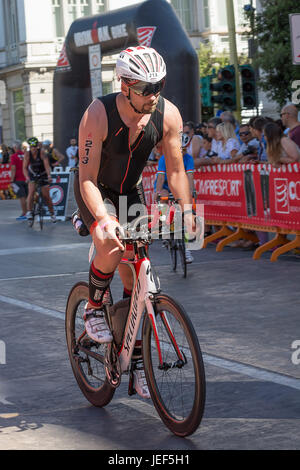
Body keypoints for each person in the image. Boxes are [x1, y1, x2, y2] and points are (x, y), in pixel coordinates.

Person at [74, 46, 196, 399]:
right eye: (145, 88)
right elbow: (86, 179)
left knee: (137, 281)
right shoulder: (97, 114)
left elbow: (175, 170)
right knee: (110, 241)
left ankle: (137, 363)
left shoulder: (167, 114)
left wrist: (187, 211)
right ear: (125, 86)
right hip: (94, 188)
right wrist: (103, 218)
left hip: (131, 192)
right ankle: (94, 306)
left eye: (159, 86)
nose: (153, 95)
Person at [153, 137, 195, 263]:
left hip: (180, 185)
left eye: (184, 149)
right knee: (163, 197)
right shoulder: (164, 159)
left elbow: (190, 177)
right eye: (179, 149)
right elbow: (160, 178)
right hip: (165, 185)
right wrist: (158, 192)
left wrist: (190, 193)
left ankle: (187, 249)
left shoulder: (188, 159)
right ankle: (166, 228)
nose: (182, 152)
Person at [23, 137, 56, 222]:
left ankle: (52, 214)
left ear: (37, 146)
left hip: (43, 174)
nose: (33, 149)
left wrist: (49, 176)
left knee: (46, 196)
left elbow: (47, 166)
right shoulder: (27, 154)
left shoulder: (41, 152)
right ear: (30, 147)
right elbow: (24, 168)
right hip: (33, 174)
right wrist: (27, 177)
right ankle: (29, 212)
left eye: (35, 147)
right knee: (31, 192)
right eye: (31, 147)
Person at [10, 141, 28, 220]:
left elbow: (13, 168)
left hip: (18, 179)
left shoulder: (14, 156)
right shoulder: (25, 155)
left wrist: (11, 179)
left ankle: (25, 213)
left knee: (22, 197)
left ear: (15, 147)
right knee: (27, 197)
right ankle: (28, 212)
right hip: (26, 178)